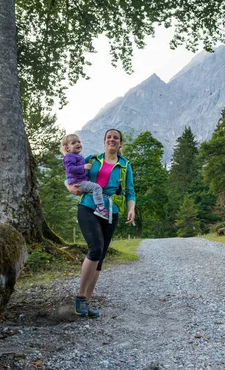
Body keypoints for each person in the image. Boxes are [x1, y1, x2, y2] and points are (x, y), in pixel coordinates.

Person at [65, 129, 136, 318]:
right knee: (95, 248)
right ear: (104, 141)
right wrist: (69, 187)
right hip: (88, 206)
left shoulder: (124, 165)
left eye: (116, 138)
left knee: (101, 257)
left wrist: (131, 209)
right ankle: (80, 296)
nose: (112, 140)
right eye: (109, 137)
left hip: (110, 211)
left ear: (120, 143)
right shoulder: (92, 159)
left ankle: (86, 303)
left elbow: (130, 191)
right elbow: (69, 173)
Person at [60, 134, 110, 220]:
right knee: (96, 188)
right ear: (67, 148)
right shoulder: (69, 157)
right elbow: (70, 169)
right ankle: (100, 208)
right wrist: (83, 167)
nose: (77, 144)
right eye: (73, 143)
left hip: (81, 180)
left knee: (94, 187)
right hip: (78, 182)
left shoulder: (77, 156)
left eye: (79, 142)